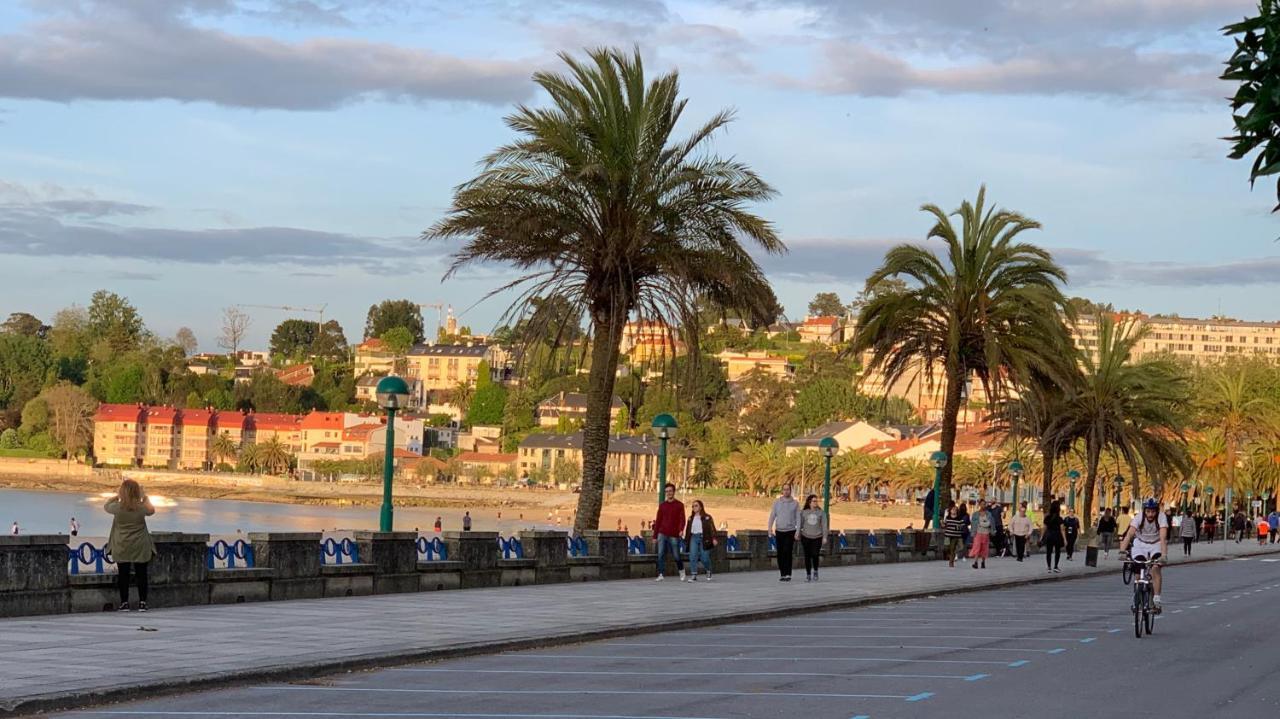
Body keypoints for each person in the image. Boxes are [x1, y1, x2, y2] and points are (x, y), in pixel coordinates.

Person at [105, 479, 157, 612]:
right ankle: (142, 603)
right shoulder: (141, 508)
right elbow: (151, 510)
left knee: (123, 574)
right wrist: (145, 497)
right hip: (140, 544)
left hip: (122, 544)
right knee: (141, 574)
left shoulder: (117, 507)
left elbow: (106, 505)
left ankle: (124, 603)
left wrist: (117, 496)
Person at [1120, 498, 1168, 610]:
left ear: (1156, 511)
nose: (1150, 514)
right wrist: (1122, 551)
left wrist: (1164, 555)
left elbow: (1163, 537)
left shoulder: (1161, 518)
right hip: (1140, 544)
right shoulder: (1139, 517)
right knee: (1138, 569)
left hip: (1156, 544)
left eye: (1153, 511)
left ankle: (1156, 598)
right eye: (1148, 511)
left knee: (1155, 568)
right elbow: (1129, 534)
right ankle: (1137, 596)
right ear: (1144, 511)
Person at [767, 483, 801, 582]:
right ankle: (782, 573)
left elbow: (798, 518)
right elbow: (772, 515)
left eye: (788, 489)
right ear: (782, 491)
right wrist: (769, 528)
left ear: (791, 491)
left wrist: (797, 531)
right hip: (779, 531)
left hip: (790, 531)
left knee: (787, 551)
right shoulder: (777, 502)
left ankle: (788, 574)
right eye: (784, 489)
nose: (786, 491)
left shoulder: (795, 503)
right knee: (780, 553)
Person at [653, 483, 686, 581]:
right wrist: (655, 536)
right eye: (667, 491)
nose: (668, 493)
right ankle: (661, 574)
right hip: (662, 533)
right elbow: (658, 521)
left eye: (670, 491)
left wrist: (681, 530)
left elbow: (682, 519)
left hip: (674, 534)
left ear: (674, 492)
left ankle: (681, 570)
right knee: (660, 554)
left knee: (676, 555)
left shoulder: (680, 505)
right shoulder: (662, 506)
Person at [684, 499, 716, 581]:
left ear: (701, 507)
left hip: (704, 538)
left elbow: (712, 529)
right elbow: (688, 530)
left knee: (704, 557)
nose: (694, 507)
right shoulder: (690, 518)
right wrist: (686, 540)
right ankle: (693, 575)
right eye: (693, 506)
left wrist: (714, 538)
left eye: (696, 505)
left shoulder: (707, 517)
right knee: (693, 556)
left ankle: (708, 570)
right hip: (693, 537)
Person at [798, 494, 828, 581]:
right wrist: (798, 533)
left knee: (815, 554)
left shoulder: (821, 513)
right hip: (806, 536)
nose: (816, 503)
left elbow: (824, 525)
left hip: (817, 537)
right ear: (809, 502)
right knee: (807, 556)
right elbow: (800, 524)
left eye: (816, 501)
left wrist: (824, 537)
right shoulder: (804, 512)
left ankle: (815, 570)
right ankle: (808, 574)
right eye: (814, 501)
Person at [1042, 501, 1066, 573]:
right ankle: (1055, 566)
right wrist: (1065, 539)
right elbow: (1062, 530)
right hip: (1057, 536)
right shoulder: (1060, 519)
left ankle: (1049, 567)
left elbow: (1044, 528)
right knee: (1057, 552)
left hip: (1049, 536)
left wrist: (1041, 537)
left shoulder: (1047, 518)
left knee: (1049, 552)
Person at [970, 500, 993, 569]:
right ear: (979, 505)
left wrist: (981, 524)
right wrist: (983, 524)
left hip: (986, 533)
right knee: (977, 547)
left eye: (984, 504)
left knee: (984, 548)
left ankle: (983, 562)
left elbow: (989, 523)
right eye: (982, 504)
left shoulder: (988, 514)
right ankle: (975, 562)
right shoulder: (975, 514)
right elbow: (973, 524)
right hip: (978, 533)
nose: (983, 506)